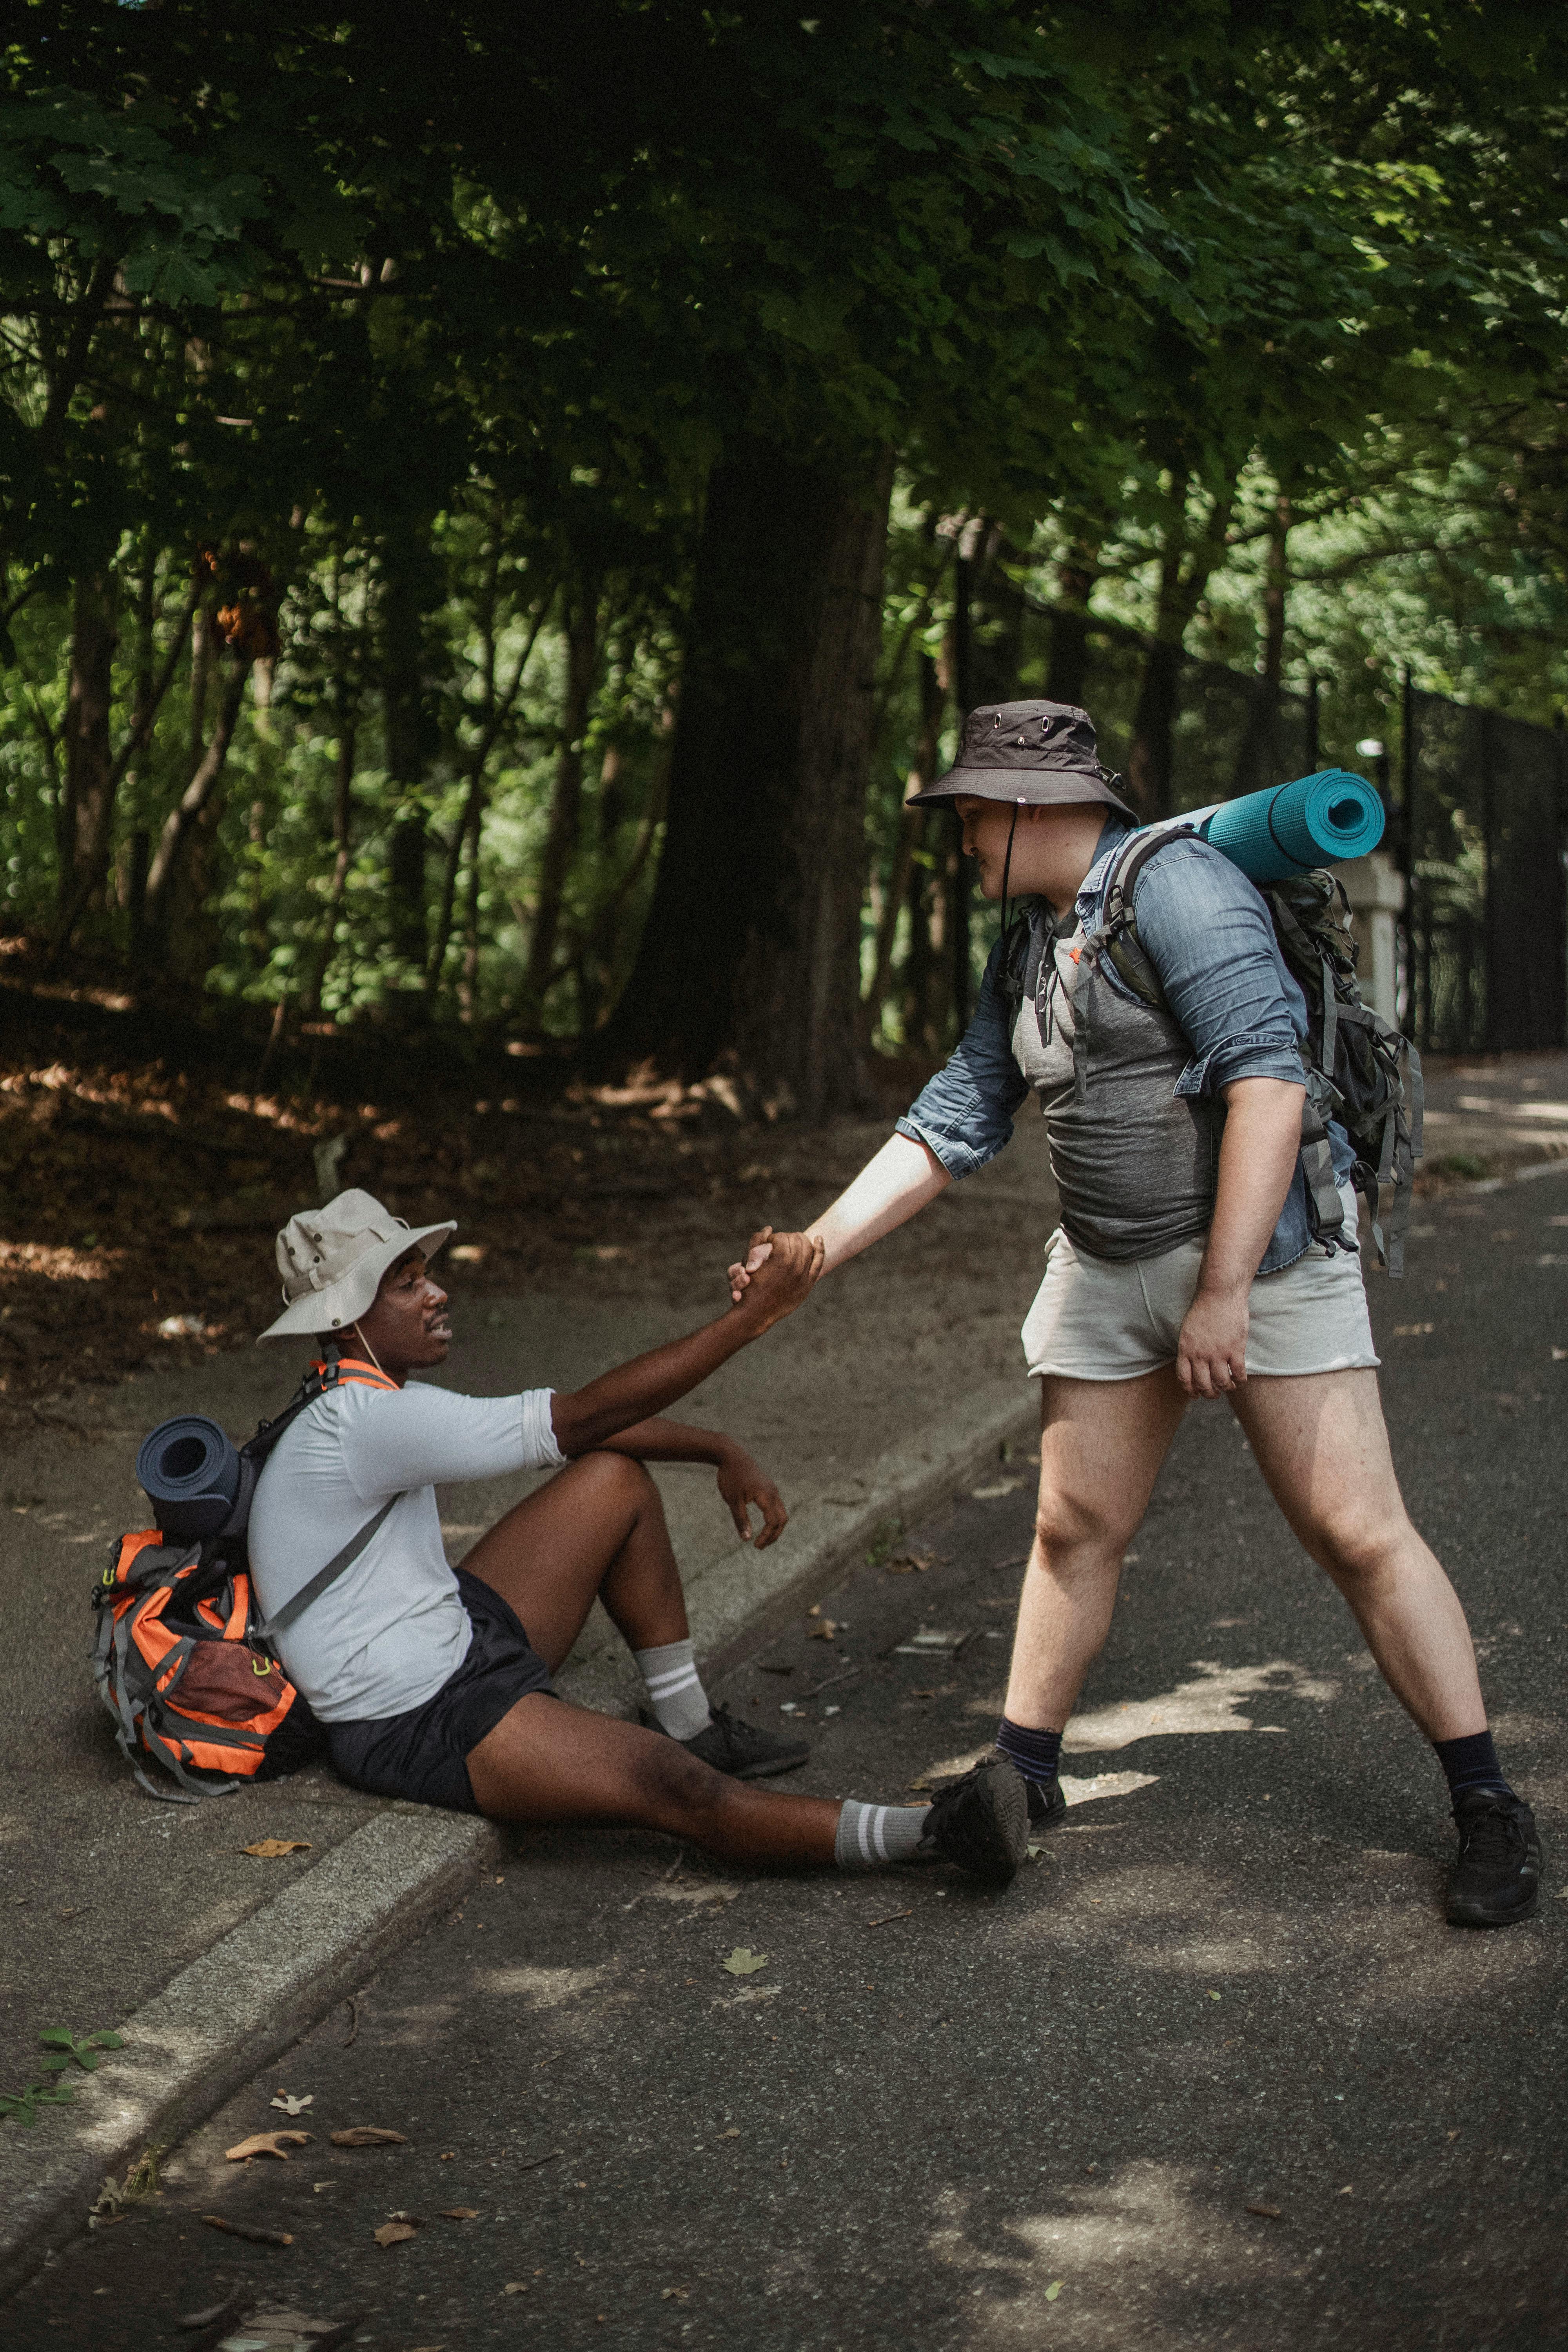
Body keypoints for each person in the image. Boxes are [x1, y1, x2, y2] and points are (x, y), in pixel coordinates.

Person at [728, 699, 1542, 1929]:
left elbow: (1267, 1079)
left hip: (1258, 1267)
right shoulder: (1030, 939)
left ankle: (1488, 1803)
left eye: (967, 818)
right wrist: (818, 1248)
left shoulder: (1182, 888)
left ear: (1028, 807)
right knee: (1073, 1527)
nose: (958, 841)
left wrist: (1221, 1295)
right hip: (1107, 1268)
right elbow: (961, 1107)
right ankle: (1026, 1775)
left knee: (1359, 1533)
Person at [246, 1188, 1028, 1884]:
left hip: (452, 1630)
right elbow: (580, 1414)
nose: (438, 1293)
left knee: (612, 1479)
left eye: (426, 1274)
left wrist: (714, 1448)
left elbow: (588, 1431)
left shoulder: (356, 1397)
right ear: (348, 1316)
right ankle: (931, 1834)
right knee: (673, 1790)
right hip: (413, 1718)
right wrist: (748, 1320)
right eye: (409, 1284)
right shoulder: (364, 1420)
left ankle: (687, 1721)